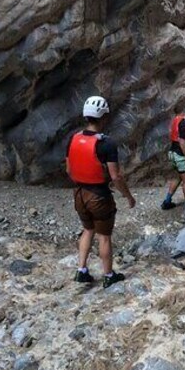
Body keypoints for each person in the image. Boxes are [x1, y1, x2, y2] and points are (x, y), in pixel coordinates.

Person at [66, 96, 135, 289]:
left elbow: (69, 170)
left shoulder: (73, 138)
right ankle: (108, 275)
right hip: (99, 195)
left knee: (88, 230)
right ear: (104, 116)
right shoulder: (106, 143)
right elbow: (116, 177)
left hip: (79, 193)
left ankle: (82, 270)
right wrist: (128, 196)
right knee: (104, 236)